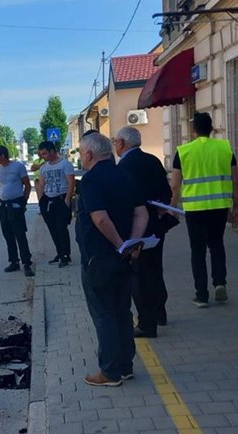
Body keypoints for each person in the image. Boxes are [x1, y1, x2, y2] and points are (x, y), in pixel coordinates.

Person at [75, 132, 148, 387]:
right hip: (124, 259)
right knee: (122, 312)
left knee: (104, 314)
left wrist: (119, 245)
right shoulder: (125, 175)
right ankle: (126, 366)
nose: (81, 158)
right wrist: (133, 244)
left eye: (81, 153)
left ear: (89, 154)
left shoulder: (90, 180)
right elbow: (141, 213)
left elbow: (100, 219)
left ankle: (109, 372)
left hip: (99, 258)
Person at [170, 112, 238, 308]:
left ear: (193, 131)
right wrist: (237, 208)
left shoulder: (183, 151)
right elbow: (235, 180)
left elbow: (175, 185)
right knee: (217, 245)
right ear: (212, 129)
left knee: (198, 251)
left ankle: (201, 295)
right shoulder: (225, 148)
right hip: (219, 207)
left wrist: (173, 207)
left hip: (195, 209)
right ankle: (220, 283)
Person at [114, 127, 172, 337]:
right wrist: (160, 210)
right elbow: (167, 191)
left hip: (137, 228)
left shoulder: (124, 166)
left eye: (115, 142)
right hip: (157, 225)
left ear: (122, 142)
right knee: (156, 269)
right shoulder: (152, 160)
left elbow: (125, 200)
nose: (115, 146)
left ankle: (147, 323)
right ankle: (160, 313)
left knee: (140, 275)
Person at [0, 145, 35, 277]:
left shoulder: (18, 167)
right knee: (8, 235)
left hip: (15, 206)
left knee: (20, 234)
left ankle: (26, 263)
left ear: (2, 156)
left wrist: (24, 201)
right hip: (3, 206)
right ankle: (14, 261)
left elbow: (27, 185)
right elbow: (2, 185)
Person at [36, 141, 76, 267]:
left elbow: (71, 183)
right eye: (41, 154)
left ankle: (66, 255)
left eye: (45, 153)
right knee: (53, 229)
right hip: (48, 201)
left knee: (61, 228)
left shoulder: (65, 164)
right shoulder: (44, 167)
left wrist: (67, 200)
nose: (43, 156)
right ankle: (59, 253)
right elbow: (41, 184)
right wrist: (41, 201)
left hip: (61, 199)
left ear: (52, 151)